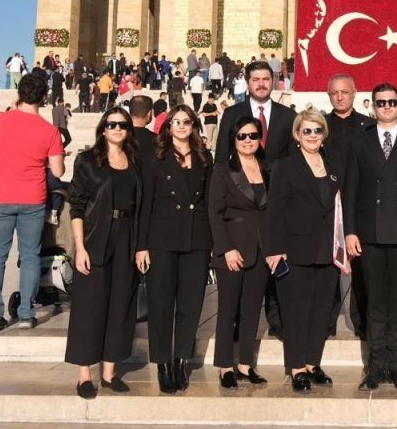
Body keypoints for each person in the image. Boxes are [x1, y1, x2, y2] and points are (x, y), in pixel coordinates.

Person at [344, 84, 397, 392]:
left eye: (391, 102)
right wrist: (350, 231)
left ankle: (396, 366)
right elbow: (351, 190)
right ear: (373, 106)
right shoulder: (360, 141)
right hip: (369, 234)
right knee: (375, 303)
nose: (385, 106)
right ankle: (375, 366)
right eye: (380, 102)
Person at [63, 107, 140, 400]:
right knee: (89, 305)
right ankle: (85, 374)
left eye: (122, 124)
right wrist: (80, 246)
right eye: (112, 124)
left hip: (127, 235)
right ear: (103, 129)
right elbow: (77, 205)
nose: (117, 129)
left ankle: (109, 372)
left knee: (122, 302)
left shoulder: (134, 160)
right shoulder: (87, 161)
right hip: (96, 237)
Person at [215, 60, 297, 336]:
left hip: (273, 201)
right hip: (240, 204)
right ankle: (238, 326)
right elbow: (221, 158)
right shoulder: (232, 114)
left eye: (266, 79)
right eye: (256, 79)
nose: (261, 84)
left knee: (272, 263)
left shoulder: (287, 116)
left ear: (273, 81)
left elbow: (290, 160)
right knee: (243, 269)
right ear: (247, 82)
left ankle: (277, 321)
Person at [136, 104, 212, 394]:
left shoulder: (204, 158)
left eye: (186, 122)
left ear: (194, 126)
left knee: (191, 306)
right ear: (167, 127)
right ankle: (162, 363)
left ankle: (181, 359)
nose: (181, 126)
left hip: (196, 239)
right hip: (162, 239)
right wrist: (141, 245)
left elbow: (207, 201)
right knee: (161, 305)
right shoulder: (155, 158)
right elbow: (146, 205)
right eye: (175, 122)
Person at [0, 74, 66, 332]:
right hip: (32, 198)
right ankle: (27, 313)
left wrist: (11, 106)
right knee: (30, 255)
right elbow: (59, 172)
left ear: (19, 93)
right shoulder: (50, 131)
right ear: (44, 97)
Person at [265, 110, 342, 393]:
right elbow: (274, 211)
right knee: (296, 310)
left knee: (322, 310)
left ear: (324, 135)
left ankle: (313, 363)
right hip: (294, 249)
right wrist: (275, 249)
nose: (312, 136)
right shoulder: (285, 166)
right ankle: (297, 367)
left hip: (327, 250)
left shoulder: (332, 164)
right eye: (306, 131)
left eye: (317, 131)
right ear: (297, 135)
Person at [209, 116, 271, 390]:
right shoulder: (223, 169)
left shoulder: (267, 167)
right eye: (242, 136)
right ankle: (225, 366)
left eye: (253, 136)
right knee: (228, 310)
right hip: (232, 249)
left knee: (251, 310)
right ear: (233, 140)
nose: (248, 141)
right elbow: (214, 212)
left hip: (260, 250)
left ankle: (245, 364)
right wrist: (226, 249)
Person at [323, 73, 372, 338]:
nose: (340, 97)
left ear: (354, 93)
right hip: (328, 206)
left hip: (361, 205)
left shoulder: (369, 125)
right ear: (329, 95)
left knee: (362, 267)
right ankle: (327, 322)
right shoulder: (321, 126)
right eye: (335, 93)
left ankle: (362, 322)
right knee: (330, 268)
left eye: (344, 92)